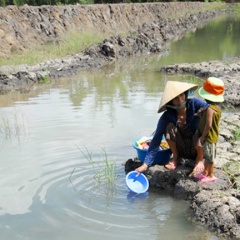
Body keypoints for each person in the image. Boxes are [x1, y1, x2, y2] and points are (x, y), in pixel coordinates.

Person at [136, 80, 209, 174]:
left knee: (200, 129)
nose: (180, 100)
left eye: (181, 95)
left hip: (198, 146)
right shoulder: (167, 116)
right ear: (170, 102)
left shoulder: (195, 104)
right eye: (175, 98)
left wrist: (202, 113)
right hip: (182, 148)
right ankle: (175, 156)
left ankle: (199, 159)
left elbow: (212, 111)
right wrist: (145, 164)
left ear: (185, 94)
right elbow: (157, 138)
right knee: (169, 127)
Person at [193, 77, 224, 183]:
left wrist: (202, 137)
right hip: (211, 136)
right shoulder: (215, 107)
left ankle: (210, 175)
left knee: (210, 158)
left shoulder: (210, 109)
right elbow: (208, 110)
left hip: (209, 137)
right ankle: (205, 172)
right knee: (207, 155)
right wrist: (201, 111)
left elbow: (209, 125)